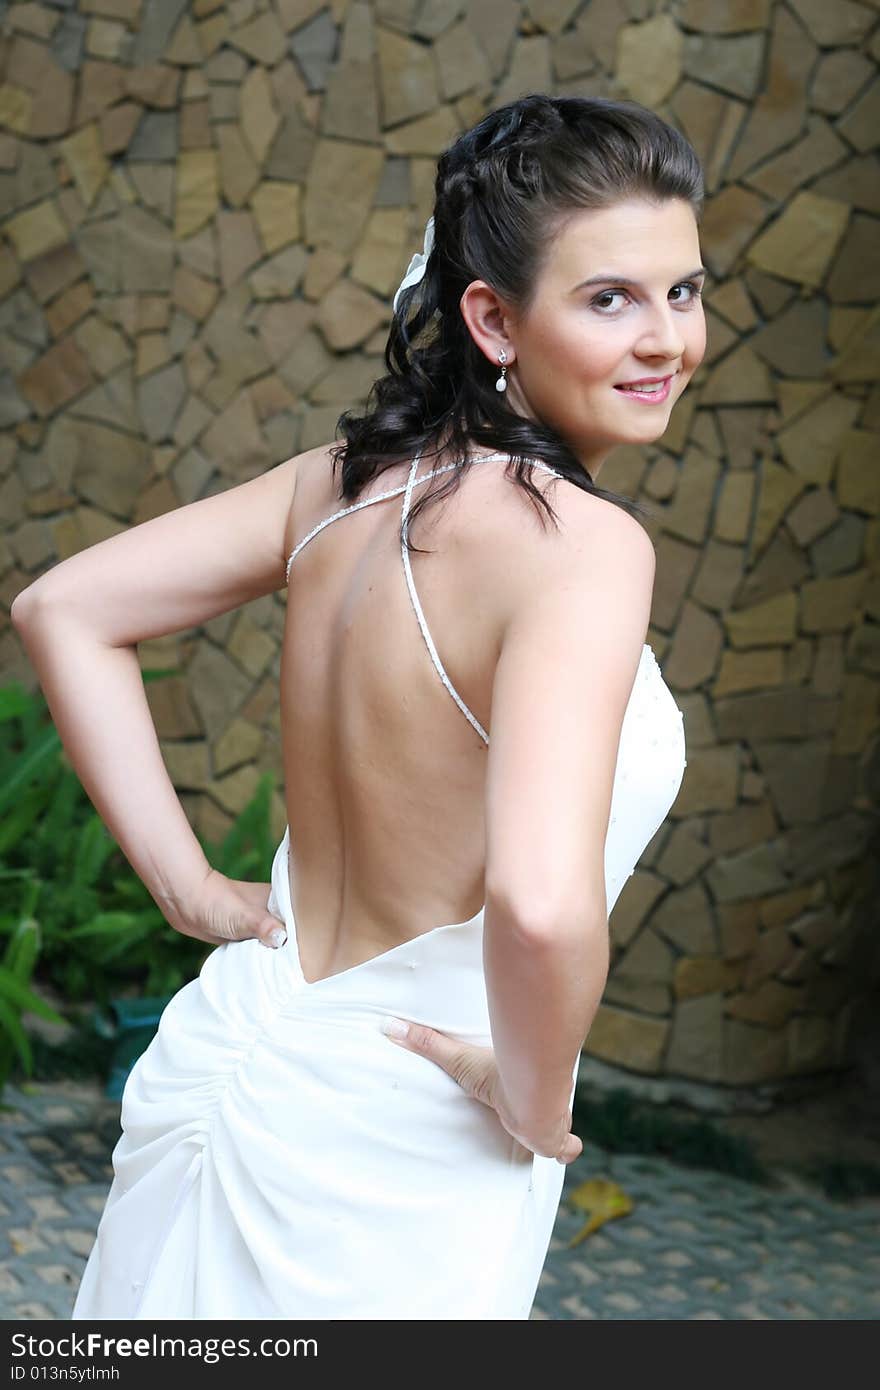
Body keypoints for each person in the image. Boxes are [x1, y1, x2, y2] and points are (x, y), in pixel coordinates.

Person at [11, 92, 703, 1320]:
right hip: (409, 1126)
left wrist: (192, 892)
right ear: (491, 317)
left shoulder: (334, 489)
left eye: (683, 292)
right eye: (611, 298)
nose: (664, 340)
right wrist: (535, 1105)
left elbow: (63, 607)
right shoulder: (583, 550)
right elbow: (539, 909)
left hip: (240, 1045)